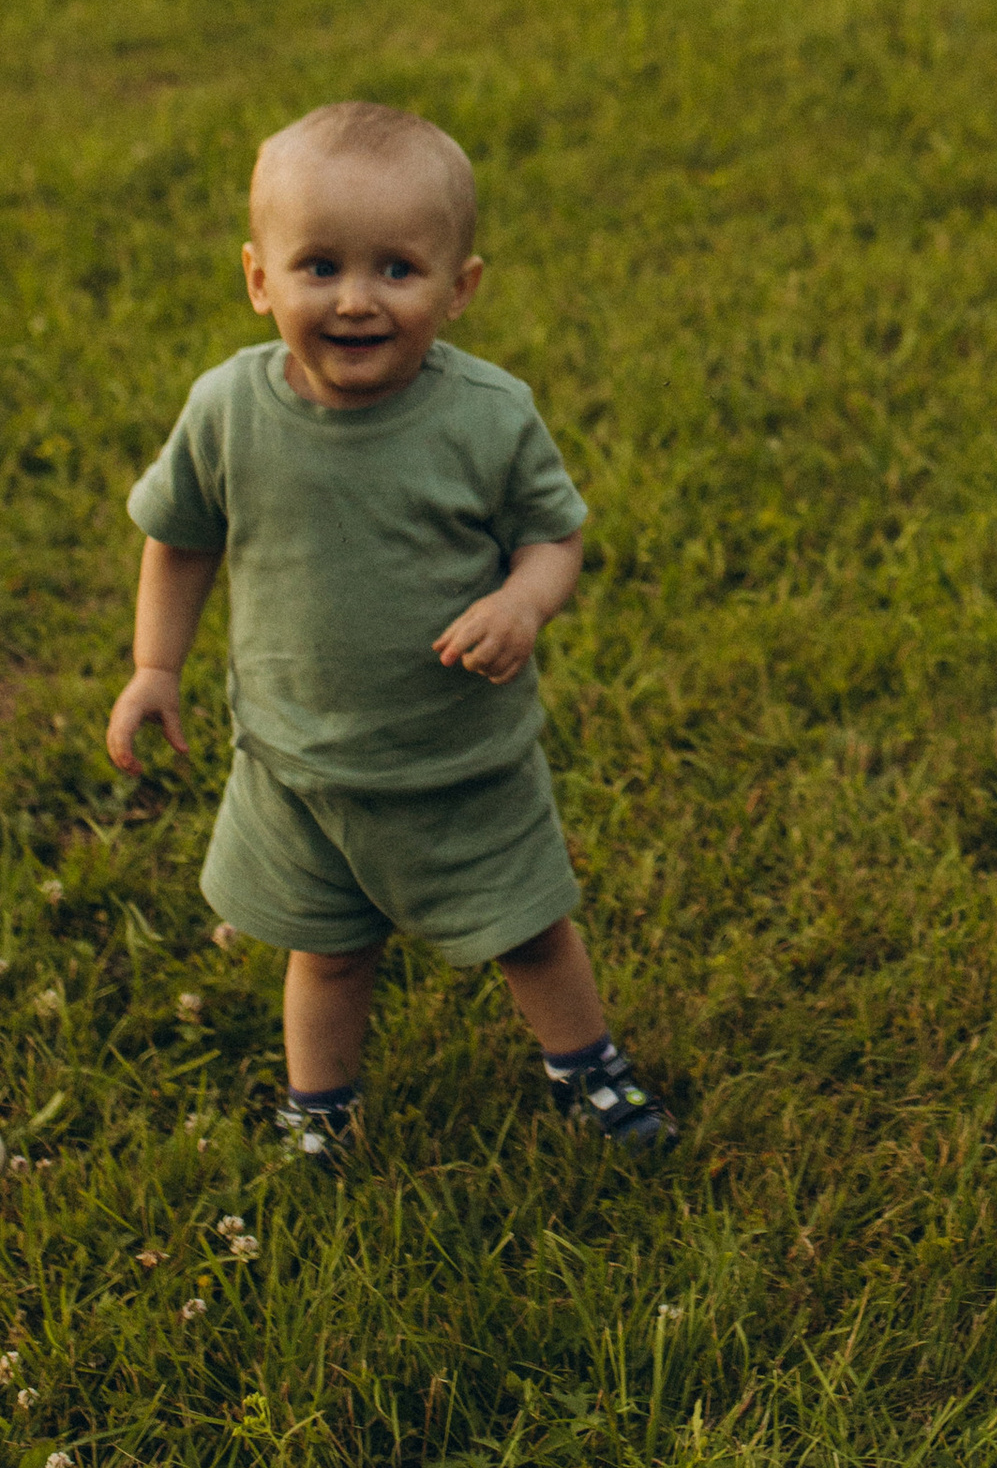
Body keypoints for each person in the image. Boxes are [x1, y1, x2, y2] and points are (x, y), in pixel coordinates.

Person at [106, 99, 673, 1165]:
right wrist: (153, 666)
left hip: (461, 760)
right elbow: (179, 539)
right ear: (259, 279)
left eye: (398, 270)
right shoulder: (228, 412)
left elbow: (554, 537)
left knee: (530, 930)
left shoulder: (486, 416)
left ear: (459, 289)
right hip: (302, 764)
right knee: (327, 951)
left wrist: (522, 602)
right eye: (319, 266)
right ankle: (322, 1107)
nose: (357, 299)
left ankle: (584, 1063)